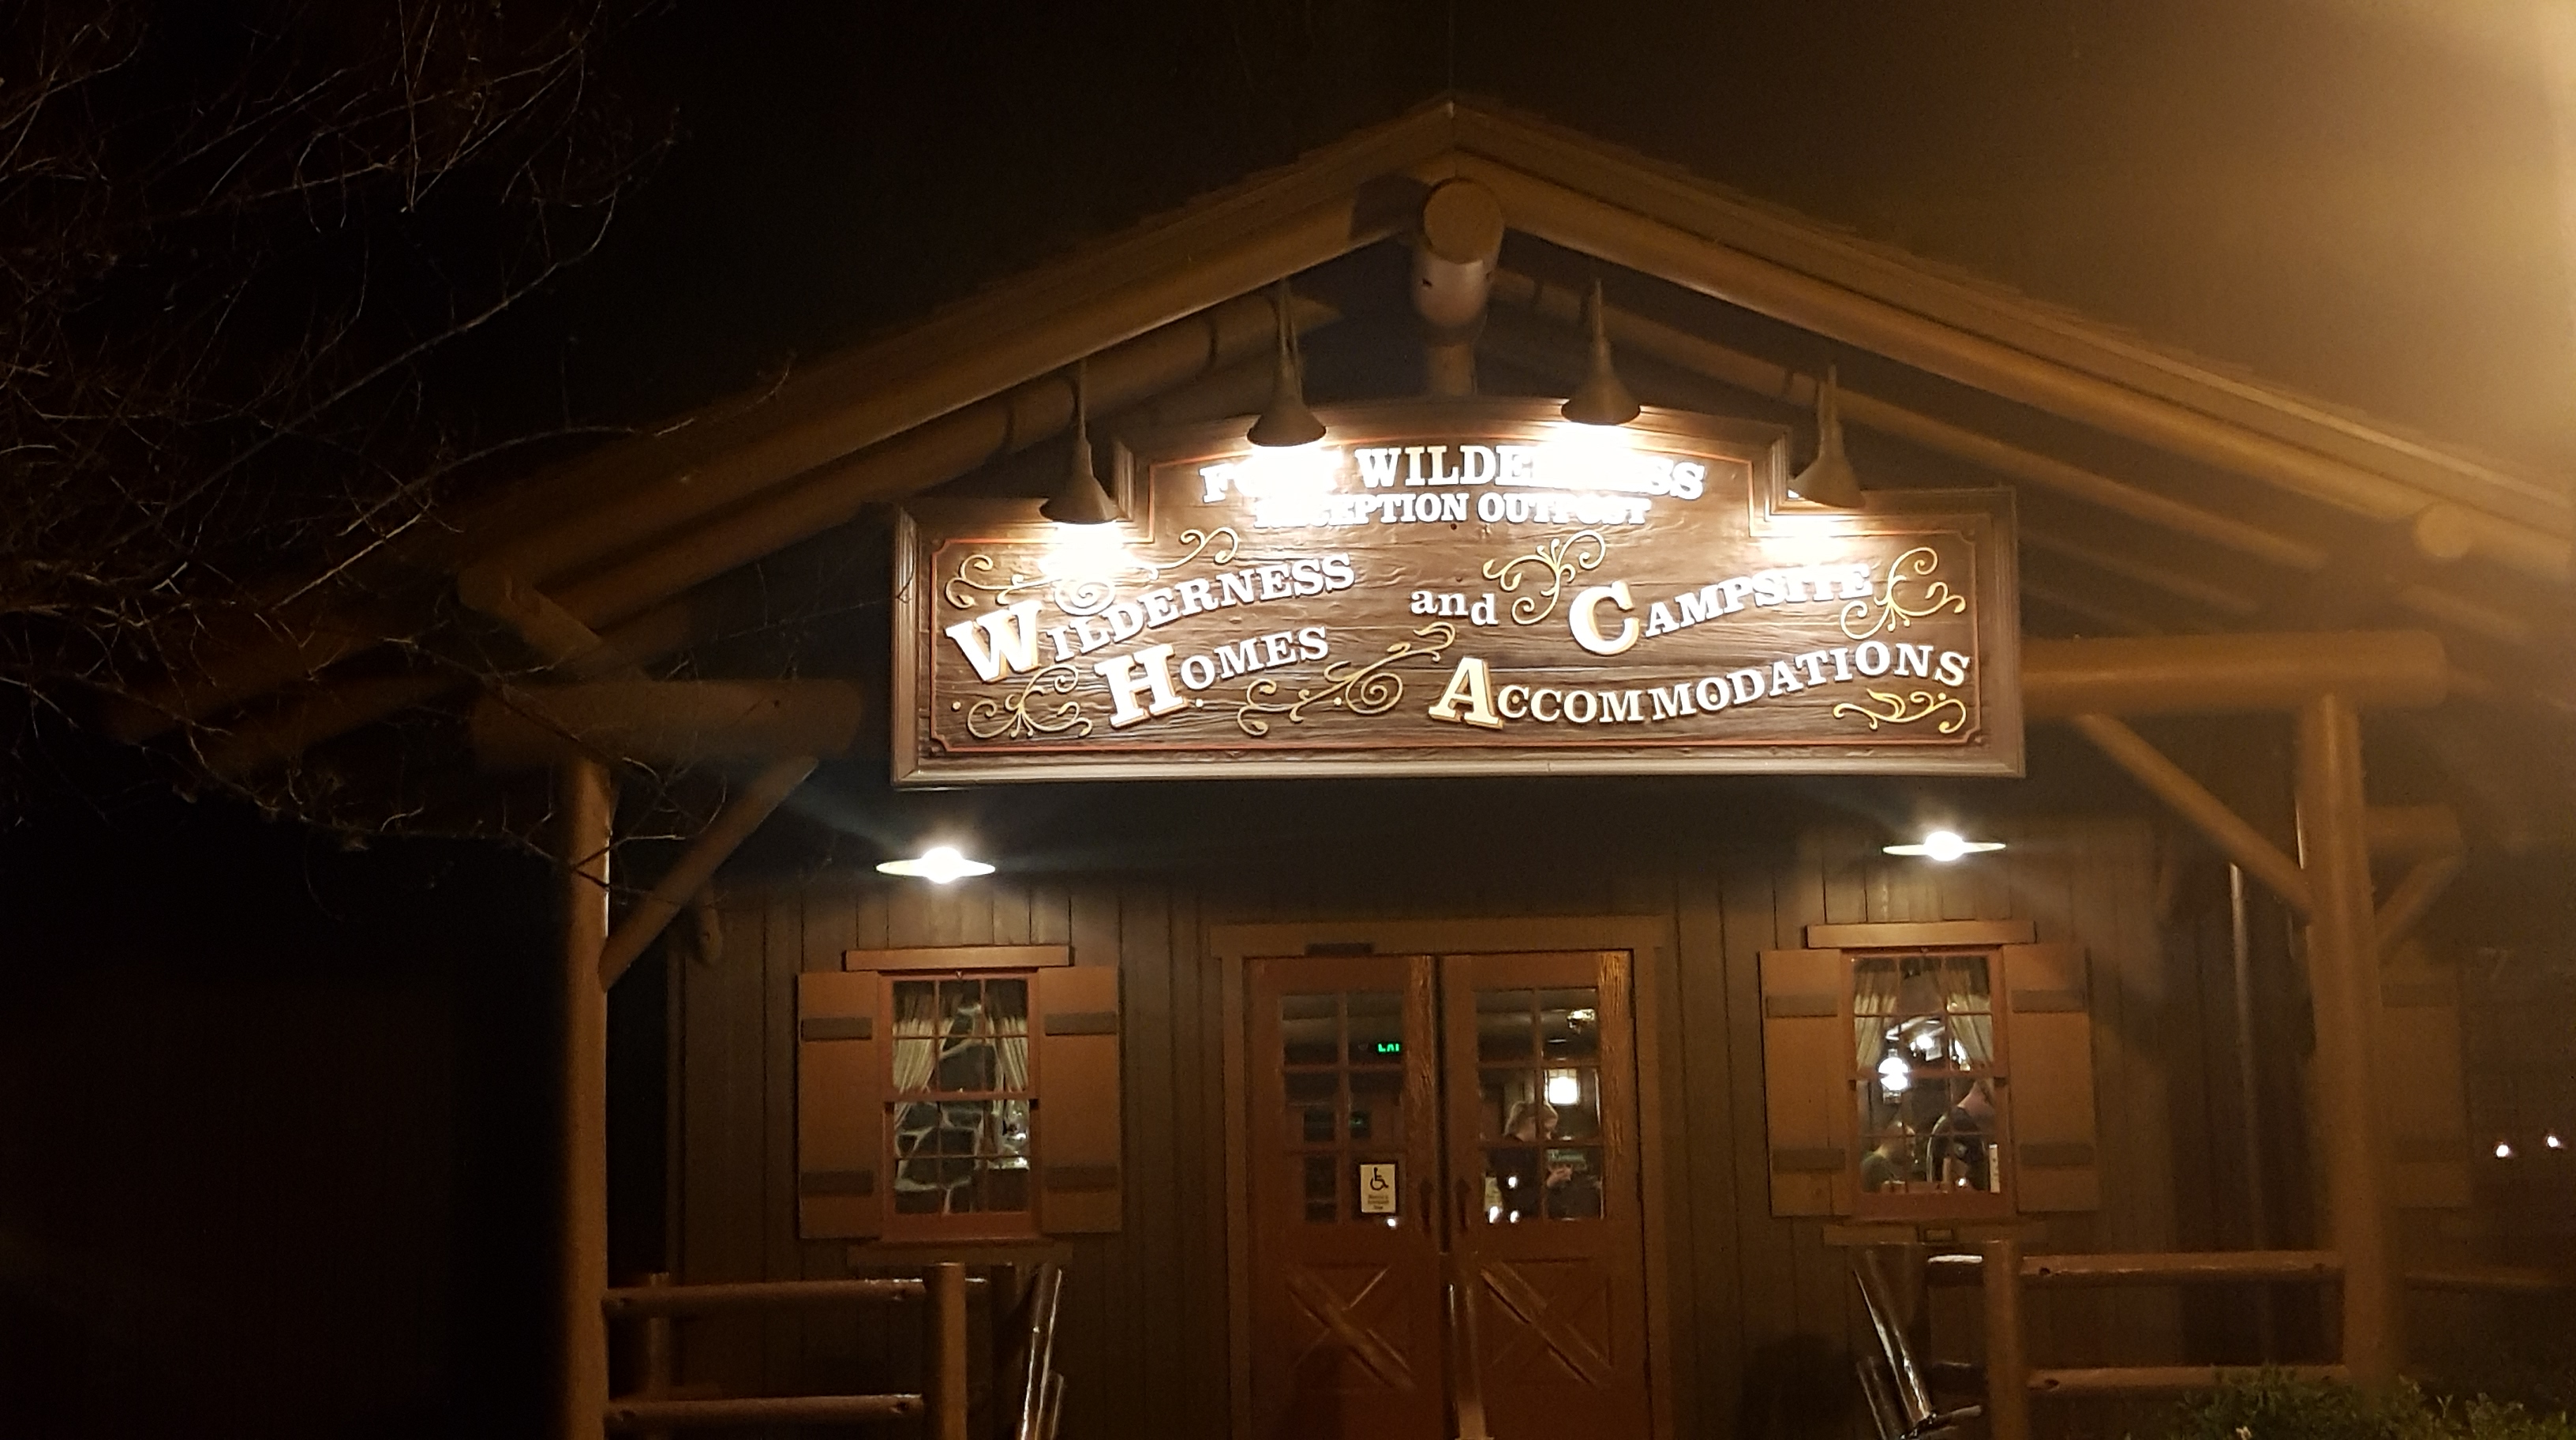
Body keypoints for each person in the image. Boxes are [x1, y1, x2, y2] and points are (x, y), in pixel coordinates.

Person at [1932, 1078, 1998, 1191]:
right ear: (1984, 1100)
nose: (1993, 1114)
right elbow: (1953, 1172)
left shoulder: (1951, 1119)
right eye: (1993, 1107)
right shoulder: (1962, 1125)